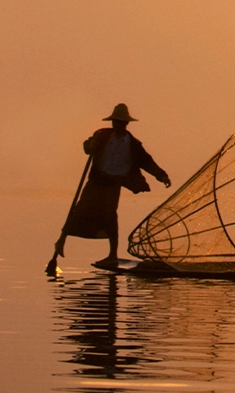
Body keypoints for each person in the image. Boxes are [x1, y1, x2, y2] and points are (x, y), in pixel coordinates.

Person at [53, 104, 171, 269]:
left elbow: (146, 161)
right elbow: (87, 147)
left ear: (126, 124)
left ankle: (112, 255)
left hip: (114, 184)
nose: (117, 125)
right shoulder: (102, 135)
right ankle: (60, 242)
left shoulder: (133, 144)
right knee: (79, 210)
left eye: (121, 122)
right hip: (96, 180)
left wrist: (161, 175)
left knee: (110, 218)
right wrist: (90, 145)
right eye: (115, 122)